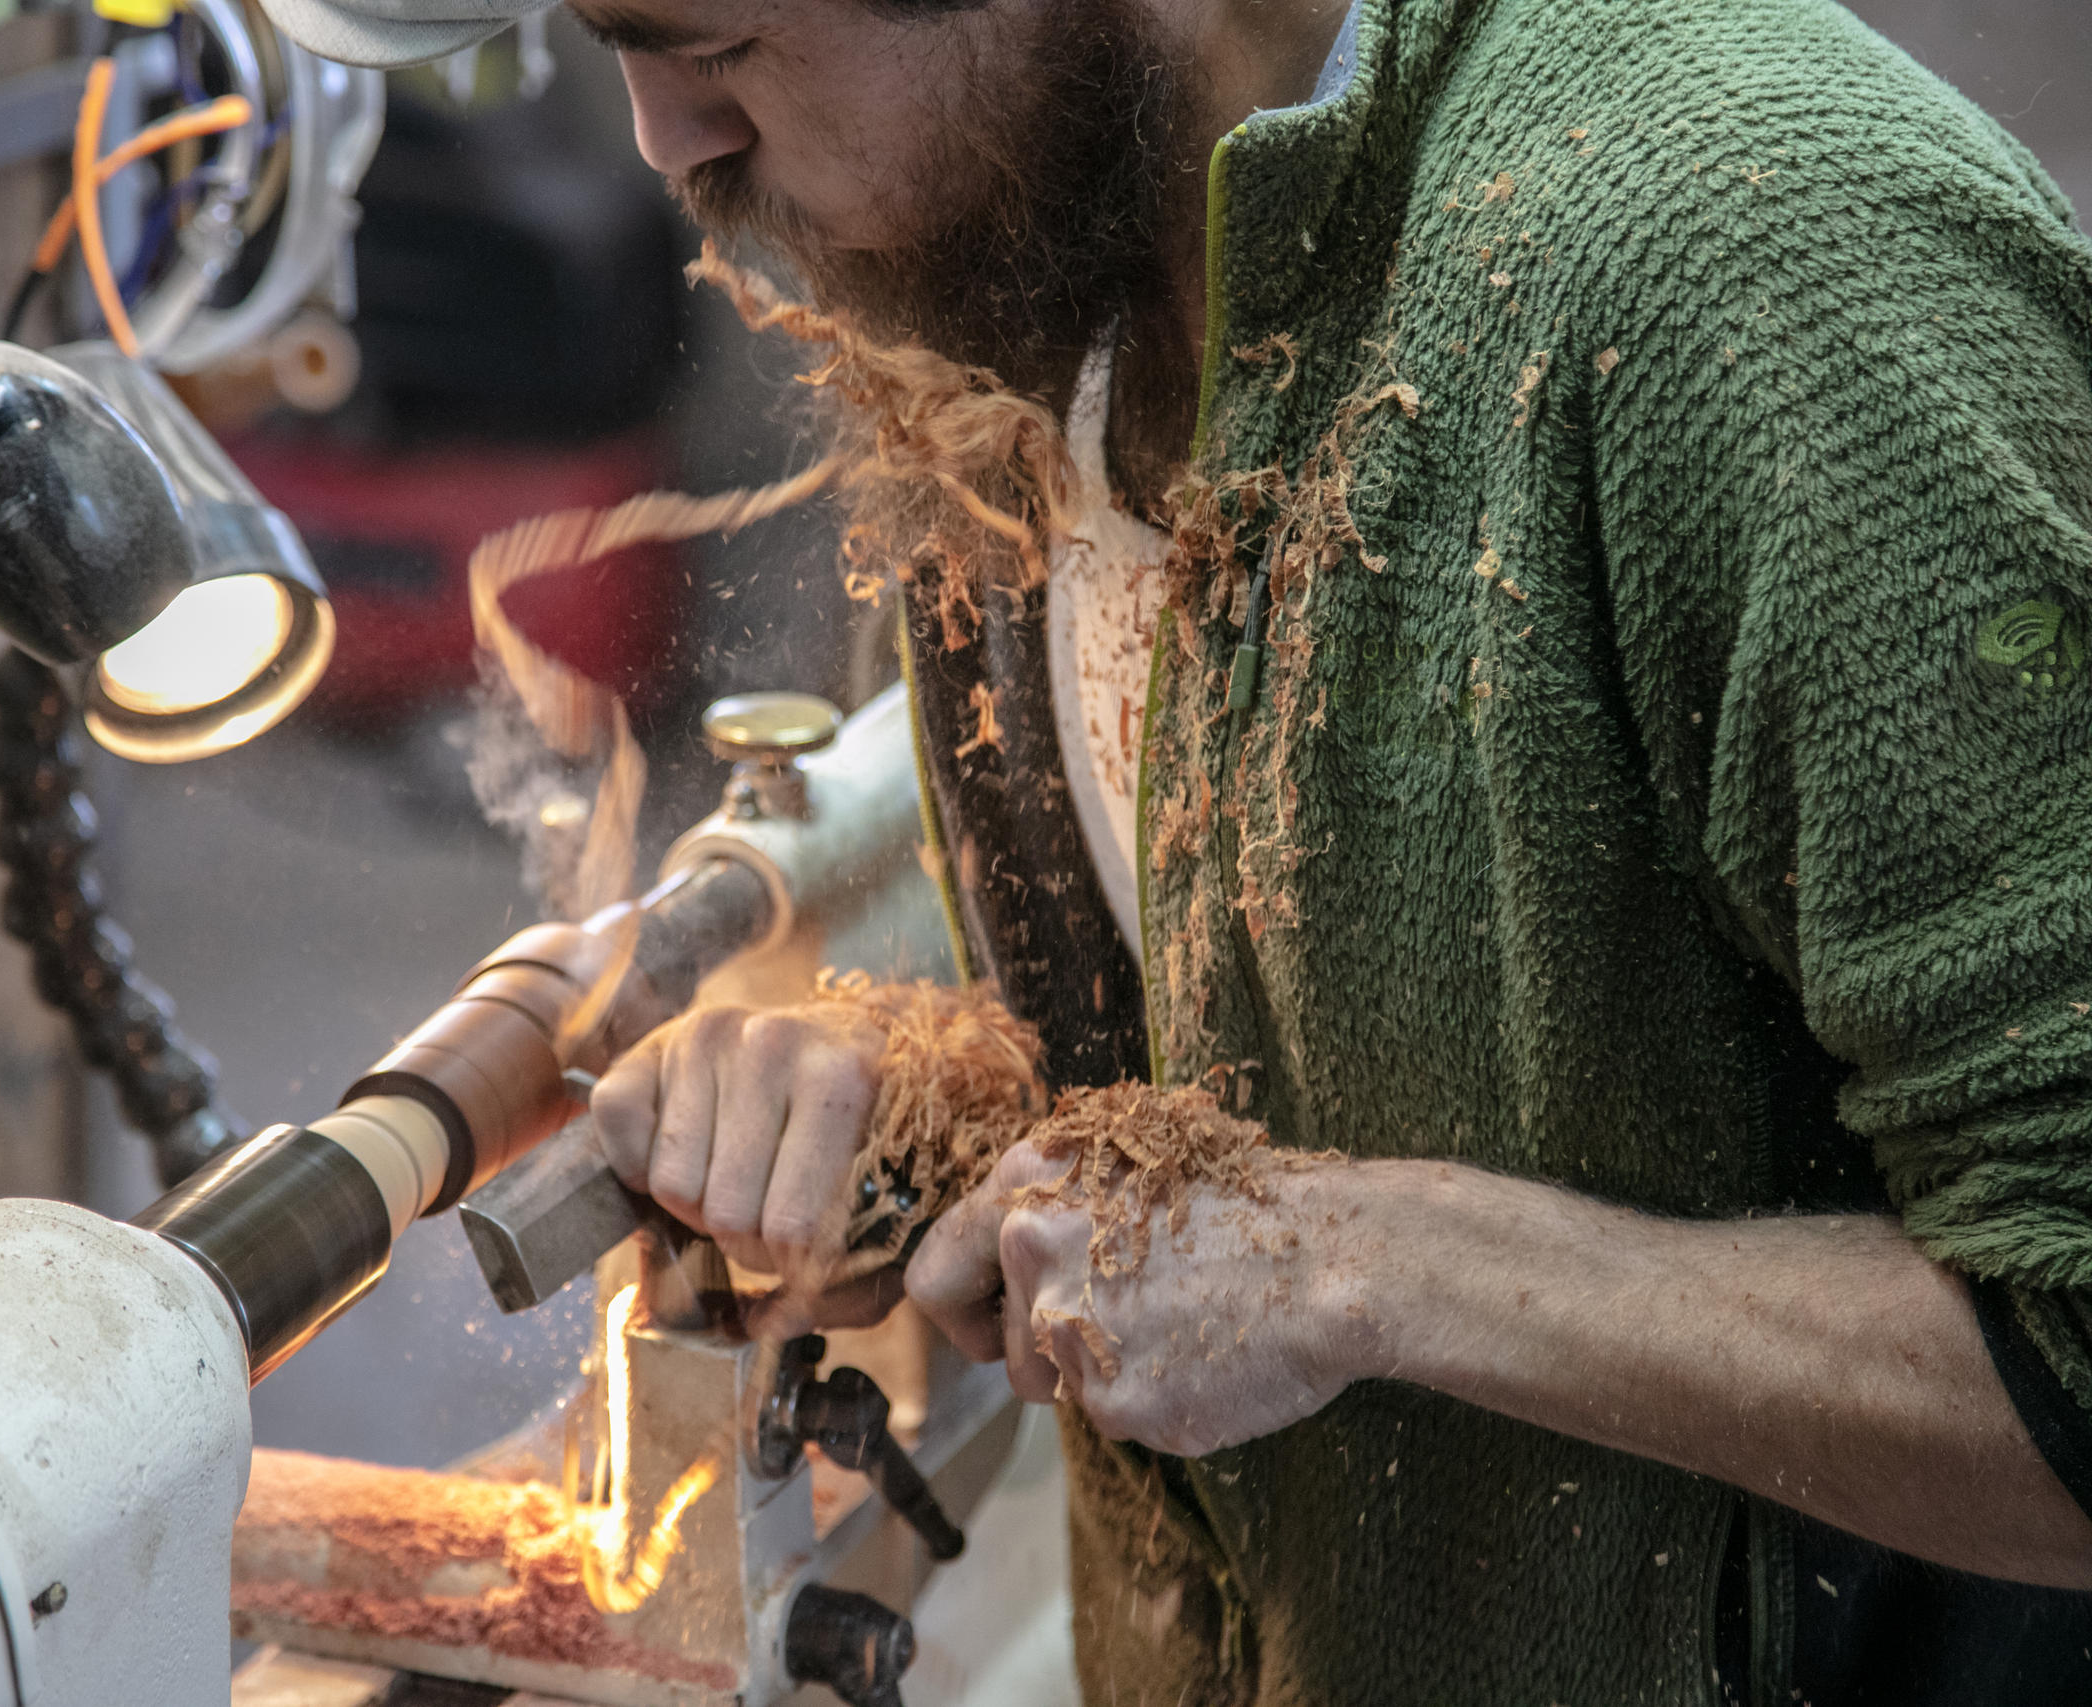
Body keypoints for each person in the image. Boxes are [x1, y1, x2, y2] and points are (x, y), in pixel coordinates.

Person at [270, 0, 2092, 1700]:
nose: (666, 140)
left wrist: (1377, 1272)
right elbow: (1221, 1046)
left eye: (712, 40)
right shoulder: (1033, 290)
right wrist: (911, 1113)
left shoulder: (1758, 281)